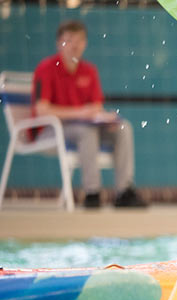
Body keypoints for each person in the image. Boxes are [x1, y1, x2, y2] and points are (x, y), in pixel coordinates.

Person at [32, 20, 146, 208]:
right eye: (68, 40)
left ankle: (124, 192)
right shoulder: (46, 69)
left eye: (78, 40)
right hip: (51, 129)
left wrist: (105, 118)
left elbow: (95, 108)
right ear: (58, 43)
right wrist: (81, 113)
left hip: (84, 127)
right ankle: (92, 192)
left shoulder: (89, 71)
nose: (74, 45)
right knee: (86, 131)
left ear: (85, 44)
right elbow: (41, 109)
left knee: (123, 127)